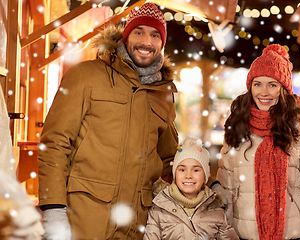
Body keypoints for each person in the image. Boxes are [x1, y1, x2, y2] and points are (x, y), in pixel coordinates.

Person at [37, 3, 179, 239]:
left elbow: (169, 162)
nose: (146, 41)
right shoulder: (85, 75)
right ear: (126, 35)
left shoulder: (163, 95)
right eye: (139, 31)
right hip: (84, 220)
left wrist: (207, 179)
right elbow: (55, 144)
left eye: (155, 35)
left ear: (162, 44)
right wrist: (53, 209)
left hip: (136, 225)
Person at [217, 44, 300, 240]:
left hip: (295, 234)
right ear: (250, 87)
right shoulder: (237, 127)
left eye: (272, 84)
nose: (264, 92)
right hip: (245, 234)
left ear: (283, 89)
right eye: (257, 84)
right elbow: (225, 191)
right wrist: (223, 233)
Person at [143, 137, 238, 240]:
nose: (188, 175)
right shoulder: (159, 208)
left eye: (196, 170)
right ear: (175, 173)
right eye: (182, 169)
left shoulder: (216, 211)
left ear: (206, 176)